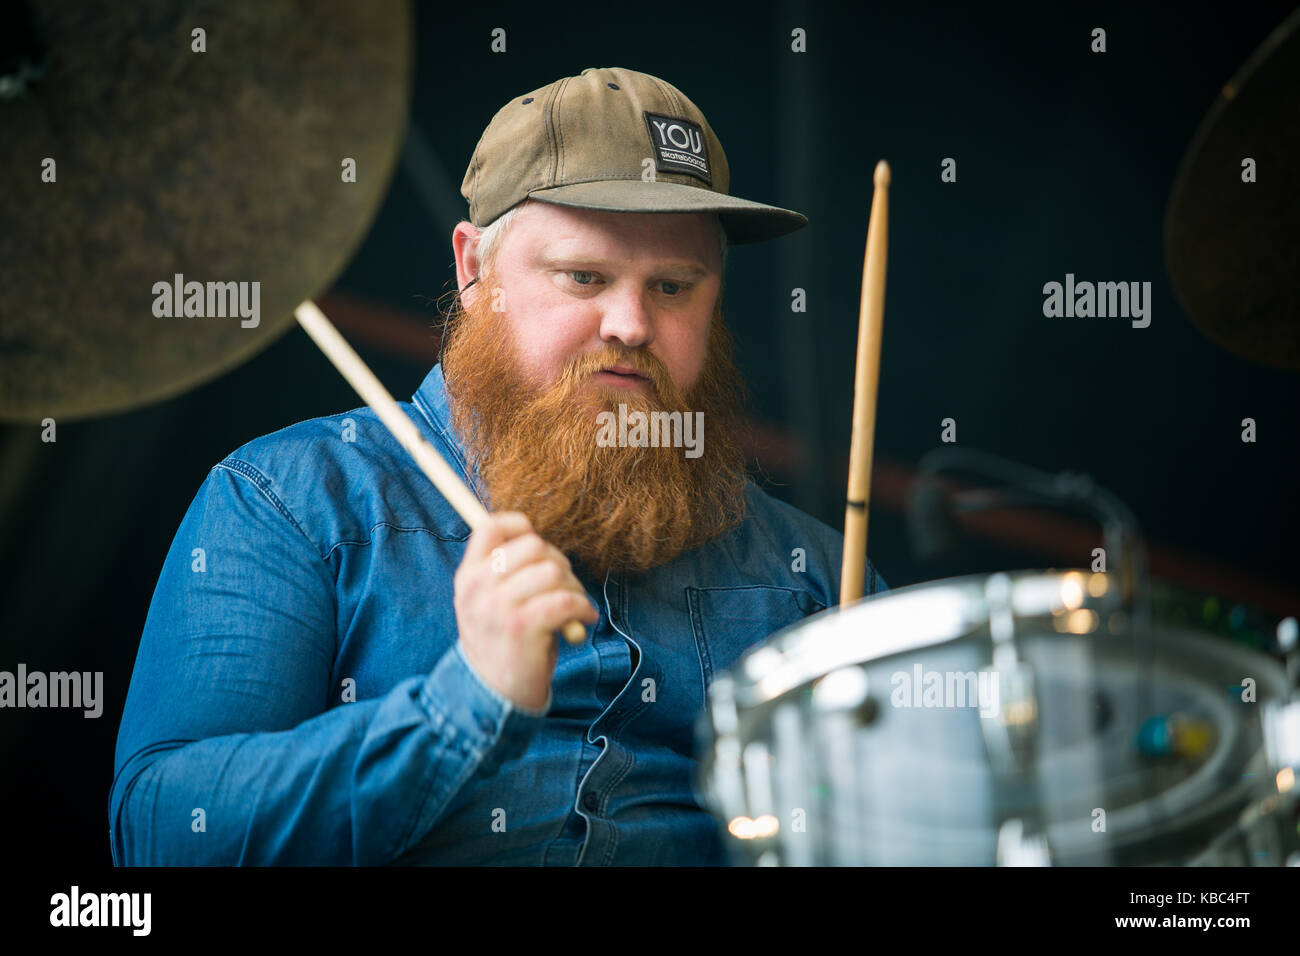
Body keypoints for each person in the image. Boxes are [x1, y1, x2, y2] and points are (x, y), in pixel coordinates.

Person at [109, 66, 886, 866]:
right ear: (474, 270)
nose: (631, 322)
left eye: (674, 287)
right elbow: (165, 836)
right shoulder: (289, 501)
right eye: (584, 276)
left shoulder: (814, 573)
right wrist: (467, 703)